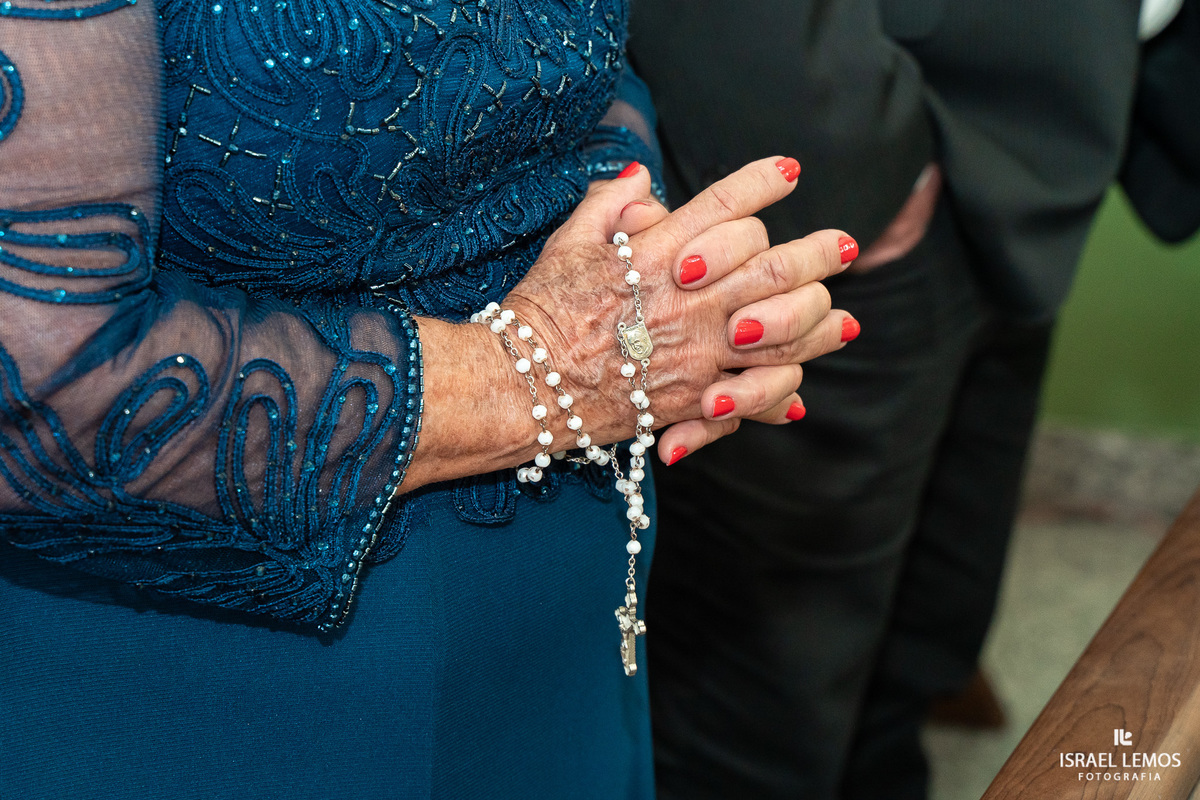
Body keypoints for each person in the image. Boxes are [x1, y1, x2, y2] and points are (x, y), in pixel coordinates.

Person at [0, 1, 856, 797]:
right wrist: (543, 370)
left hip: (567, 569)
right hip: (214, 666)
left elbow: (562, 64)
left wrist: (650, 263)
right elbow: (45, 385)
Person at [628, 1, 1161, 797]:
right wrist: (843, 148)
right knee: (758, 713)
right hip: (856, 164)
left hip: (1024, 142)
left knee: (917, 647)